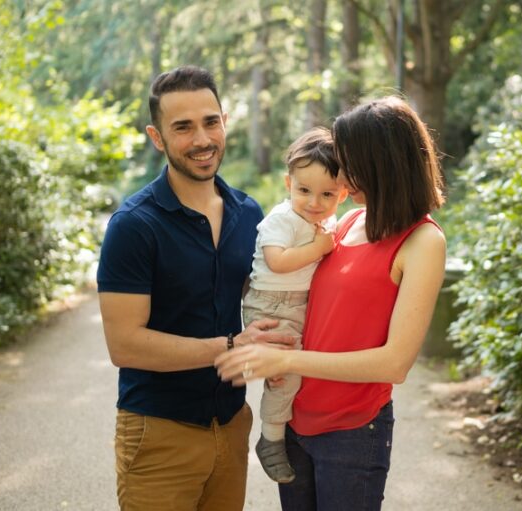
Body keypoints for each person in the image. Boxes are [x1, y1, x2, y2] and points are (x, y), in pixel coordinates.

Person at [215, 95, 447, 510]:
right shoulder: (347, 221)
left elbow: (394, 363)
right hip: (296, 420)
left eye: (348, 161)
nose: (341, 173)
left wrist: (287, 362)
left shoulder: (423, 241)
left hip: (352, 431)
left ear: (381, 163)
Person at [96, 65, 293, 511]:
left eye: (211, 122)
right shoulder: (133, 226)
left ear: (224, 121)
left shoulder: (249, 212)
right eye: (183, 127)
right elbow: (124, 345)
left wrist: (278, 348)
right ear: (157, 136)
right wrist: (230, 346)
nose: (202, 139)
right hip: (159, 432)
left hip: (231, 424)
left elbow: (257, 298)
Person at [245, 127, 348, 484]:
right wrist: (319, 249)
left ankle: (283, 428)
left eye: (327, 194)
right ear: (288, 183)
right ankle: (270, 439)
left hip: (298, 304)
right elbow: (278, 261)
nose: (314, 202)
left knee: (293, 370)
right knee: (284, 375)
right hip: (271, 305)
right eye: (304, 190)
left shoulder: (326, 222)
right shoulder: (282, 219)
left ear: (344, 194)